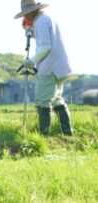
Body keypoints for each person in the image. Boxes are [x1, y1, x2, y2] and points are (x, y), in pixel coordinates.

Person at [14, 0, 73, 135]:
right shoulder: (46, 19)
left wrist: (32, 61)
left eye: (26, 14)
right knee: (57, 99)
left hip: (50, 68)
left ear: (32, 11)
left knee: (42, 101)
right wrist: (31, 32)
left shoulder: (40, 22)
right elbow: (46, 40)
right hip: (59, 67)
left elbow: (46, 46)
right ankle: (68, 133)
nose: (26, 17)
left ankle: (43, 136)